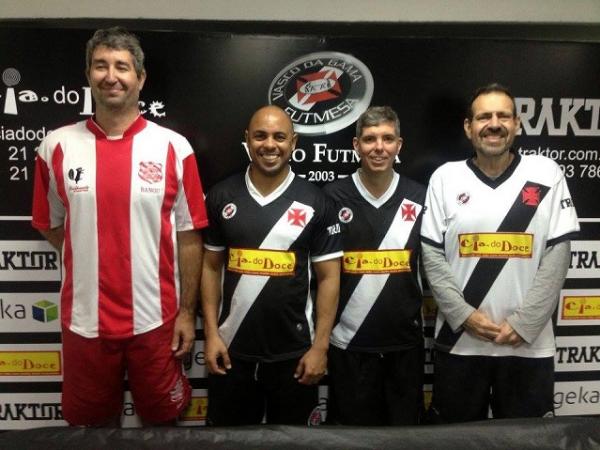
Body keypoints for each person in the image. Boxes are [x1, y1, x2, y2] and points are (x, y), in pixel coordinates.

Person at [31, 27, 208, 426]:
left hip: (156, 320)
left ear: (140, 78)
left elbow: (189, 236)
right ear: (88, 75)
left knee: (162, 422)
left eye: (122, 67)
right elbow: (50, 224)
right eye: (101, 66)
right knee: (91, 428)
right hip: (84, 321)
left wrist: (186, 313)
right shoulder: (55, 146)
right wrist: (90, 252)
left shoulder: (174, 147)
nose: (111, 76)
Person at [421, 83, 579, 422]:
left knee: (529, 442)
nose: (494, 124)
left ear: (517, 124)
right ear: (468, 127)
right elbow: (431, 255)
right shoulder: (445, 178)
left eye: (503, 116)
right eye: (484, 117)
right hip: (460, 343)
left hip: (527, 345)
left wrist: (525, 323)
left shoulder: (545, 173)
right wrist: (463, 315)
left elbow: (558, 253)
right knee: (456, 441)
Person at [201, 105, 342, 426]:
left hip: (295, 354)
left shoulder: (316, 201)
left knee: (295, 443)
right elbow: (210, 268)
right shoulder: (221, 196)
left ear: (293, 142)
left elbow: (329, 278)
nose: (269, 145)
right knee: (229, 442)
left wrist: (320, 347)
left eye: (279, 137)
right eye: (260, 136)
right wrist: (210, 334)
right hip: (231, 350)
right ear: (247, 139)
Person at [323, 106, 426, 425]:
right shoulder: (332, 197)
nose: (379, 147)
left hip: (404, 345)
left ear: (399, 145)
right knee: (350, 438)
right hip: (348, 343)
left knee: (405, 438)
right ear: (356, 145)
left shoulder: (420, 196)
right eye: (369, 139)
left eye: (387, 138)